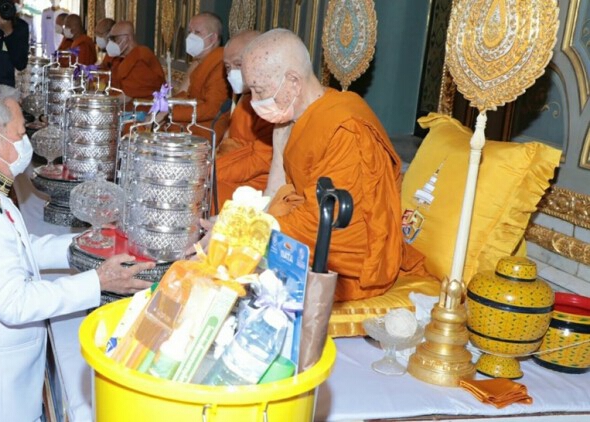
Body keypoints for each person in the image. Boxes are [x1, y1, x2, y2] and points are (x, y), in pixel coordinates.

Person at [0, 83, 154, 421]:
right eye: (19, 133)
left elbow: (19, 247)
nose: (25, 140)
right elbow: (16, 302)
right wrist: (99, 281)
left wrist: (83, 246)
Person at [241, 29, 427, 301]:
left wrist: (247, 231)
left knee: (251, 284)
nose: (255, 102)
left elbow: (327, 222)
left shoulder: (344, 128)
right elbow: (282, 192)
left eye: (259, 90)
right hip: (303, 228)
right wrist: (280, 146)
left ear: (293, 81)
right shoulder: (300, 115)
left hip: (348, 264)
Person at [215, 30, 273, 210]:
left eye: (238, 65)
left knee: (204, 194)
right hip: (229, 171)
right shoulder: (244, 99)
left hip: (254, 184)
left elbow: (262, 160)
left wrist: (215, 173)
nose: (232, 72)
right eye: (227, 67)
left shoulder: (270, 103)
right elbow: (229, 143)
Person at [168, 12, 229, 143]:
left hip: (205, 130)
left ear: (212, 39)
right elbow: (190, 96)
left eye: (197, 32)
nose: (191, 37)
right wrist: (168, 105)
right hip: (190, 124)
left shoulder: (220, 63)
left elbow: (212, 108)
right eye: (190, 32)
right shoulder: (201, 63)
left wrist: (171, 113)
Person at [105, 20, 165, 103]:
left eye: (114, 39)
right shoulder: (124, 58)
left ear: (126, 38)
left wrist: (103, 103)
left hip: (142, 111)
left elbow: (128, 96)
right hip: (125, 108)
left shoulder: (140, 56)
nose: (112, 43)